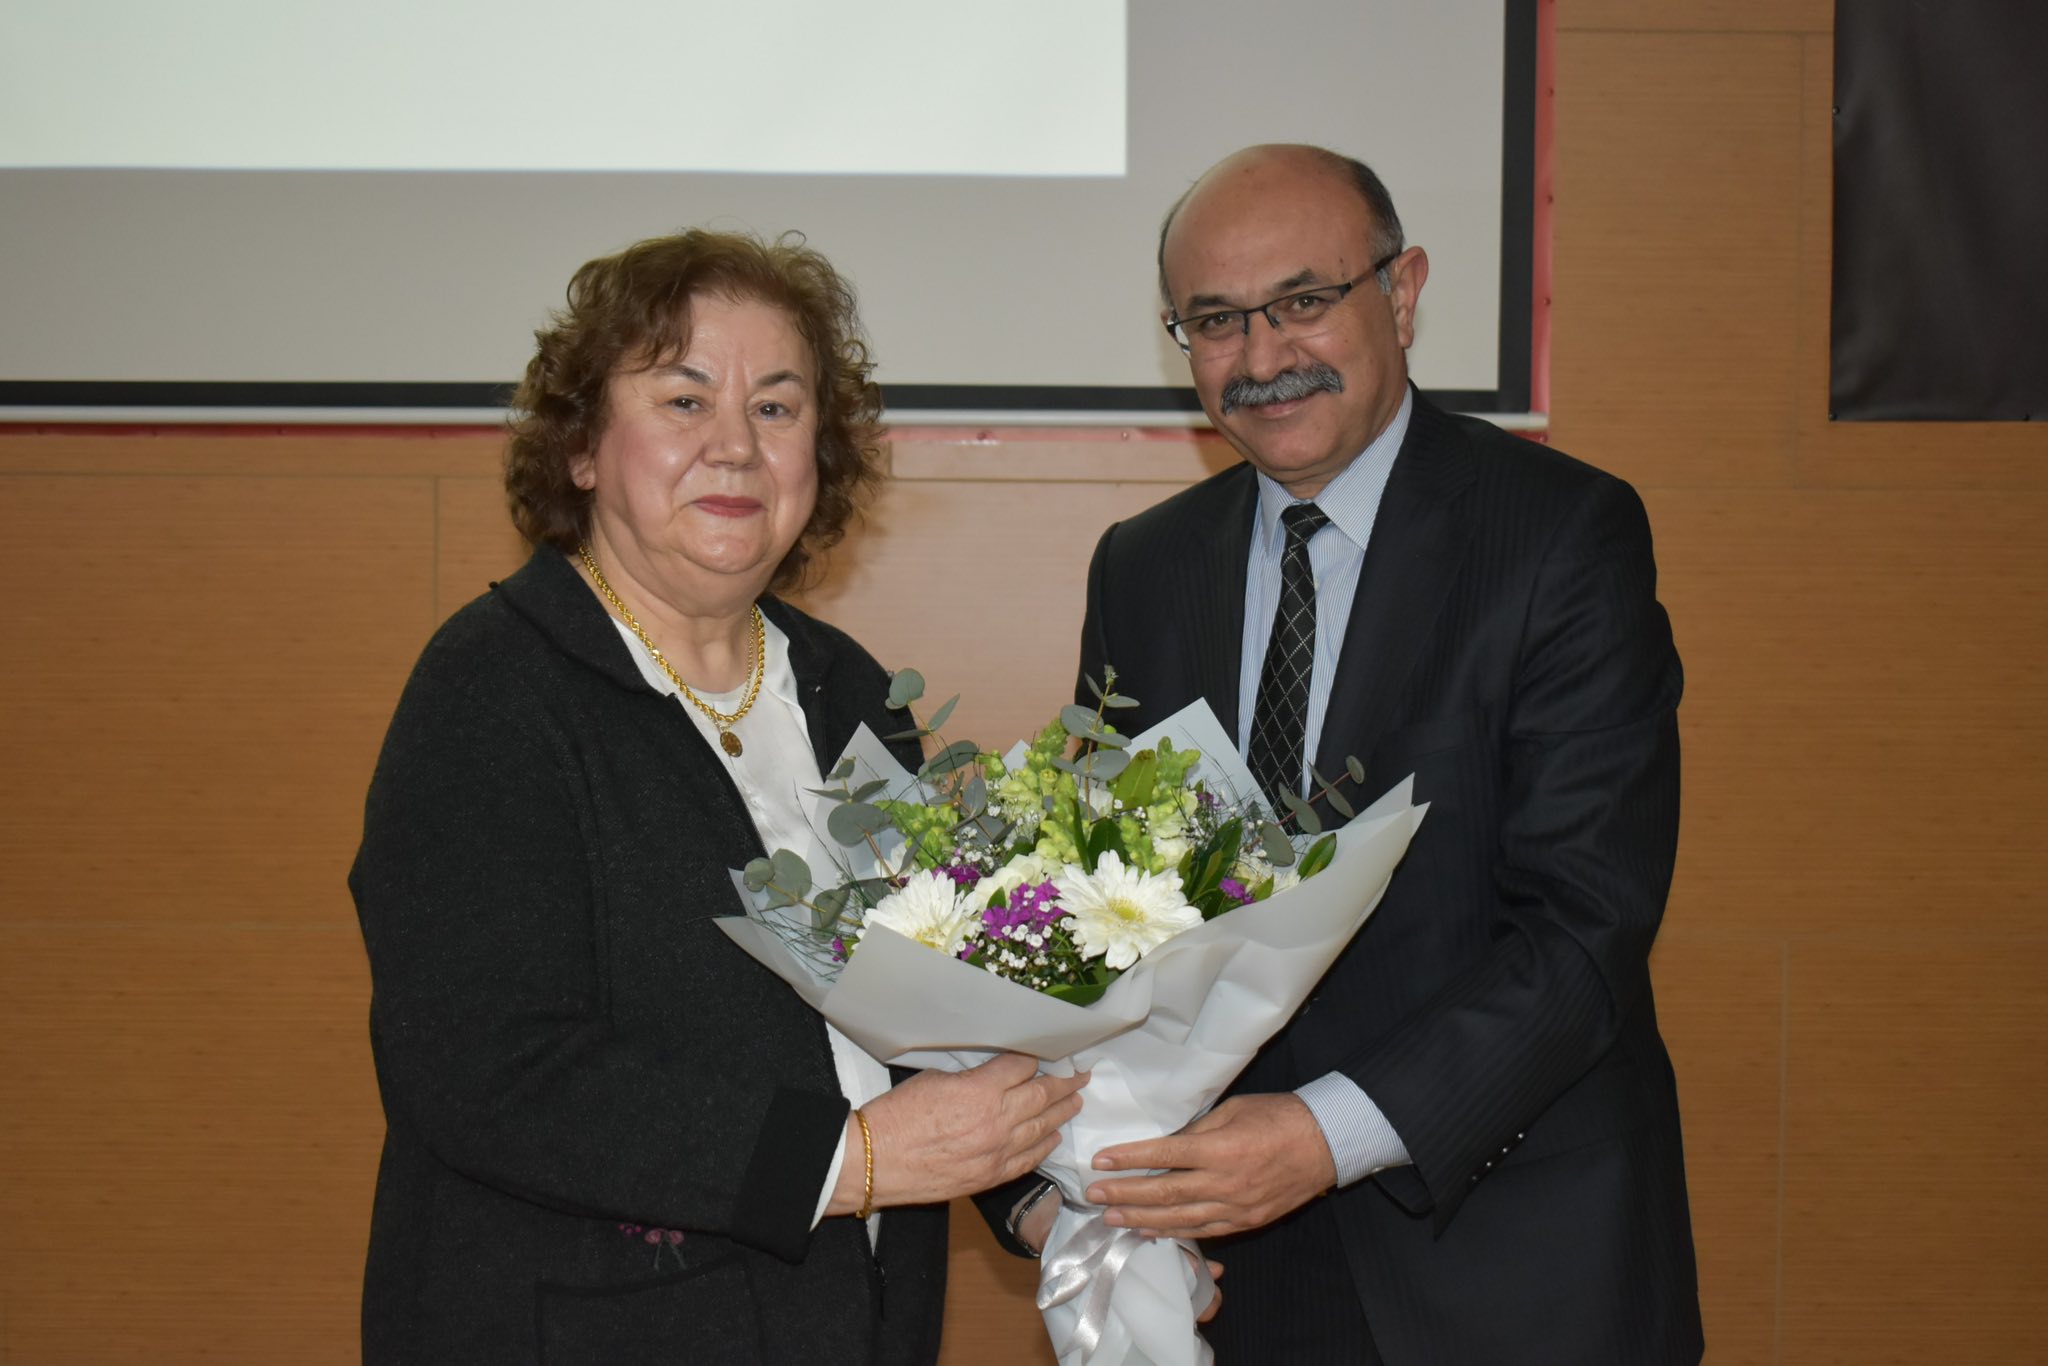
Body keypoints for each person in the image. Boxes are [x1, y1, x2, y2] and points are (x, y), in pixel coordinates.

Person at [349, 228, 1084, 1365]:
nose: (736, 446)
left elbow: (919, 1022)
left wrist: (1045, 1200)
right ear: (582, 448)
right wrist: (851, 1163)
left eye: (777, 408)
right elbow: (485, 1069)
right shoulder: (492, 690)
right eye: (685, 400)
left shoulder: (846, 689)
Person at [1054, 145, 1703, 1362]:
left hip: (1502, 1257)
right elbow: (1104, 902)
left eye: (1302, 300)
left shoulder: (1561, 535)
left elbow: (1585, 924)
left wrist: (1323, 1135)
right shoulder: (1141, 565)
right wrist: (1064, 1177)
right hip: (1231, 1267)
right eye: (1214, 320)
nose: (1261, 356)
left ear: (1400, 295)